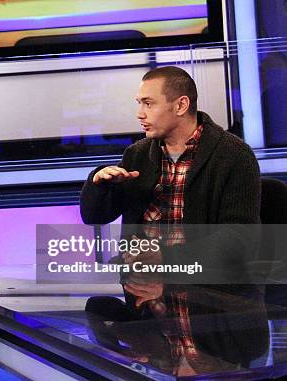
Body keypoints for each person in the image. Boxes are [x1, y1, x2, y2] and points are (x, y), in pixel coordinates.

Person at [80, 67, 265, 367]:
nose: (140, 113)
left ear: (180, 105)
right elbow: (93, 215)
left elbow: (238, 241)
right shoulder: (138, 155)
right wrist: (99, 184)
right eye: (138, 103)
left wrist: (165, 259)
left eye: (148, 103)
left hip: (214, 321)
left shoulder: (234, 156)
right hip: (153, 324)